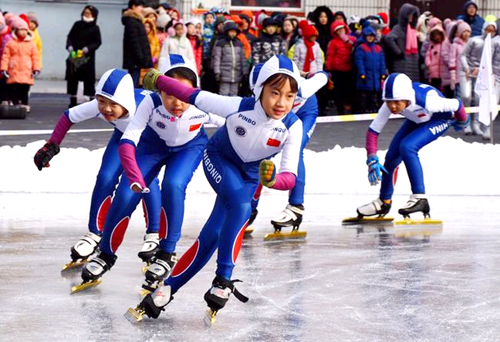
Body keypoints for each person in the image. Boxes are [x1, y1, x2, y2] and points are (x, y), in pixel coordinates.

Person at [133, 55, 304, 320]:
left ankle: (166, 289)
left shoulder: (293, 126)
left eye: (290, 96)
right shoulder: (237, 106)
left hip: (249, 177)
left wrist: (272, 181)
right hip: (219, 159)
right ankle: (223, 279)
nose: (281, 103)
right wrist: (158, 79)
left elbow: (290, 176)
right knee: (241, 207)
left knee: (213, 233)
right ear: (260, 90)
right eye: (274, 93)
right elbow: (191, 94)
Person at [78, 55, 225, 287]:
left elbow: (235, 123)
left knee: (173, 185)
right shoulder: (150, 102)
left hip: (189, 148)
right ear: (159, 90)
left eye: (183, 95)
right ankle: (106, 253)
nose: (177, 103)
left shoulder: (202, 103)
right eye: (169, 95)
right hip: (152, 145)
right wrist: (135, 177)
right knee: (126, 193)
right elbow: (128, 140)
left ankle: (167, 252)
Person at [33, 69, 162, 266]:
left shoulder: (145, 108)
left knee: (147, 180)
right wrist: (52, 145)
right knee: (105, 177)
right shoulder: (99, 105)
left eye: (113, 104)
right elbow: (68, 116)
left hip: (148, 141)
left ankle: (154, 234)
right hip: (122, 136)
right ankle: (94, 233)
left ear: (126, 103)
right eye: (102, 101)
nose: (106, 109)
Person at [356, 73, 469, 219]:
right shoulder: (390, 105)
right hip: (418, 119)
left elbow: (457, 104)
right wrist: (372, 159)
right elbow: (373, 131)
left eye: (397, 102)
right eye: (389, 102)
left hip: (439, 118)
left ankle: (420, 197)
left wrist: (462, 121)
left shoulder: (427, 101)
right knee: (391, 158)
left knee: (408, 147)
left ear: (407, 98)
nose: (392, 106)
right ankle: (384, 202)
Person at [247, 63, 329, 230]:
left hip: (304, 110)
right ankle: (250, 207)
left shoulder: (303, 89)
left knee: (295, 149)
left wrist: (306, 75)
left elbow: (324, 76)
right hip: (281, 110)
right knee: (261, 153)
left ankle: (296, 207)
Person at [460, 20, 497, 137]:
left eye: (492, 30)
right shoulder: (474, 40)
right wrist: (467, 68)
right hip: (466, 72)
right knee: (466, 96)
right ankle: (465, 123)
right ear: (484, 29)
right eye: (488, 29)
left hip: (481, 74)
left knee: (478, 98)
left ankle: (476, 124)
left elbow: (492, 62)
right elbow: (463, 55)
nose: (490, 32)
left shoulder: (493, 44)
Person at [0, 16, 41, 112]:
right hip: (14, 70)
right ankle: (16, 104)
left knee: (25, 90)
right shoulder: (10, 43)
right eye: (20, 30)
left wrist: (36, 68)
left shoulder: (31, 44)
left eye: (24, 30)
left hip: (26, 71)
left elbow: (35, 57)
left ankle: (24, 104)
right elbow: (5, 57)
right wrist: (4, 69)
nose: (22, 32)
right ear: (16, 31)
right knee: (15, 89)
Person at [65, 5, 101, 108]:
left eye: (89, 13)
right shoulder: (77, 25)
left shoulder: (95, 28)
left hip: (87, 57)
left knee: (88, 78)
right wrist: (70, 47)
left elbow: (97, 42)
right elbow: (70, 36)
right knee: (73, 77)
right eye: (85, 13)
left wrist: (87, 49)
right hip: (75, 55)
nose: (86, 15)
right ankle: (73, 99)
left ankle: (90, 99)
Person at [353, 26, 387, 114]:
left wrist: (383, 72)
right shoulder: (361, 48)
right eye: (368, 36)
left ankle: (373, 107)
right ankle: (364, 108)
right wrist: (362, 73)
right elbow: (359, 61)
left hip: (375, 75)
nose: (370, 38)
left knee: (375, 92)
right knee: (365, 92)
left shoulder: (378, 48)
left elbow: (382, 62)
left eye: (372, 36)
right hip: (366, 75)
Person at [382, 3, 420, 82]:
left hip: (413, 63)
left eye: (412, 15)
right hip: (402, 63)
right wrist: (398, 52)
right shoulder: (399, 28)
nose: (411, 17)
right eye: (409, 15)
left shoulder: (412, 30)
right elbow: (389, 38)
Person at [212, 20, 248, 96]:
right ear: (226, 32)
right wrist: (217, 72)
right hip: (224, 73)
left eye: (234, 32)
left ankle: (232, 107)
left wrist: (245, 72)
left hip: (236, 73)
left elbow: (243, 59)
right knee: (223, 93)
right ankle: (223, 107)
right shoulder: (221, 43)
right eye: (231, 31)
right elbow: (217, 58)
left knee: (234, 93)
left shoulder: (239, 44)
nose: (233, 33)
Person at [122, 0, 152, 87]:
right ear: (134, 6)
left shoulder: (136, 20)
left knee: (134, 81)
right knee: (133, 83)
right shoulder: (132, 21)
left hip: (136, 60)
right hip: (134, 60)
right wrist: (141, 58)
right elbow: (135, 42)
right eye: (140, 6)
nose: (142, 9)